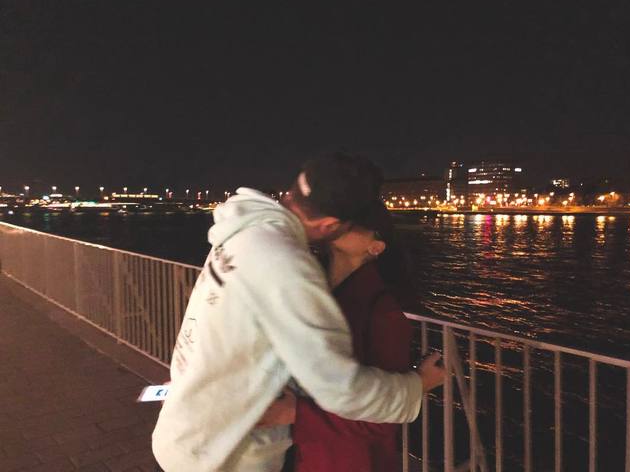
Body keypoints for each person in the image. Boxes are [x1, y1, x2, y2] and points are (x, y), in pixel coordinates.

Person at [152, 153, 444, 472]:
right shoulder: (288, 268)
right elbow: (341, 390)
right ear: (329, 225)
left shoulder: (246, 231)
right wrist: (416, 386)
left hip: (188, 431)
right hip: (223, 456)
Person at [258, 201, 434, 472]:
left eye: (356, 222)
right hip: (307, 454)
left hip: (350, 461)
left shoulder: (382, 312)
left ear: (375, 247)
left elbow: (383, 416)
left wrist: (296, 414)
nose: (341, 222)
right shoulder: (313, 292)